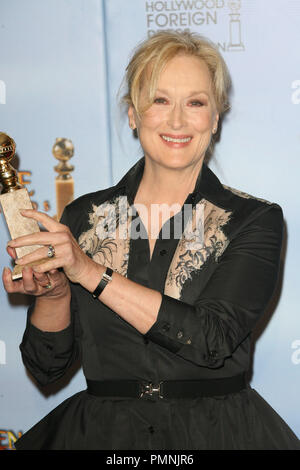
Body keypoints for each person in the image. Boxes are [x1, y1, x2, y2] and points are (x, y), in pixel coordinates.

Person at [3, 31, 299, 450]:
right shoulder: (82, 219)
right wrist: (52, 296)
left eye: (195, 103)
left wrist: (89, 272)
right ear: (132, 115)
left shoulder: (253, 220)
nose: (177, 121)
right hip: (102, 436)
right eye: (160, 101)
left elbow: (212, 340)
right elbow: (46, 368)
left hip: (218, 435)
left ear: (215, 118)